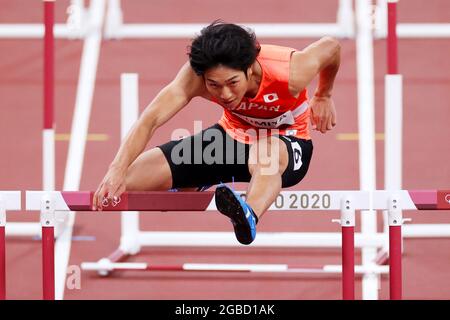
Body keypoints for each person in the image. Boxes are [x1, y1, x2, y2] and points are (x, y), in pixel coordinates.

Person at [93, 21, 339, 245]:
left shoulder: (292, 72)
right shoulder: (195, 77)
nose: (225, 94)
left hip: (286, 145)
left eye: (233, 83)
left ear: (250, 68)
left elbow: (331, 47)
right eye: (214, 85)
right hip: (229, 140)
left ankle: (247, 215)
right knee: (130, 180)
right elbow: (151, 119)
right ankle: (199, 179)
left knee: (266, 151)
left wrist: (323, 95)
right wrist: (116, 170)